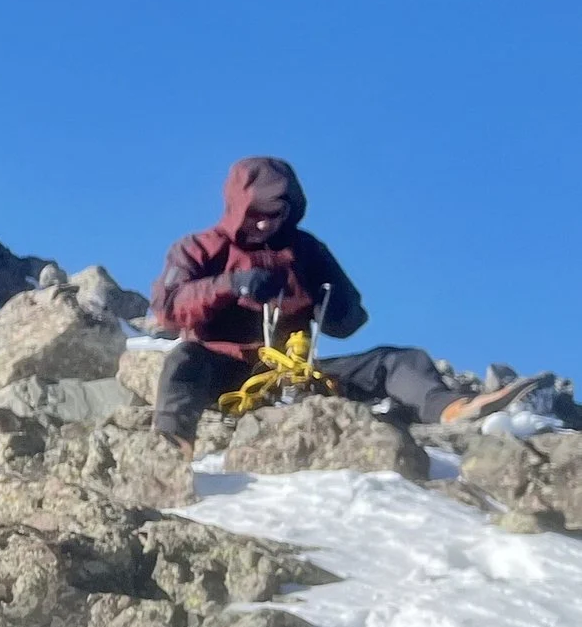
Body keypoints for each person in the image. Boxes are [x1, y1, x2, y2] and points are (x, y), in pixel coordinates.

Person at [148, 156, 538, 447]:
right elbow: (167, 307)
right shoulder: (199, 248)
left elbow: (350, 320)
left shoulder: (307, 250)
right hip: (228, 370)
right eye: (257, 214)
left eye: (277, 213)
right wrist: (230, 285)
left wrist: (331, 305)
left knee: (396, 361)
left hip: (298, 375)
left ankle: (452, 409)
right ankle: (171, 446)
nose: (267, 223)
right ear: (238, 208)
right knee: (184, 361)